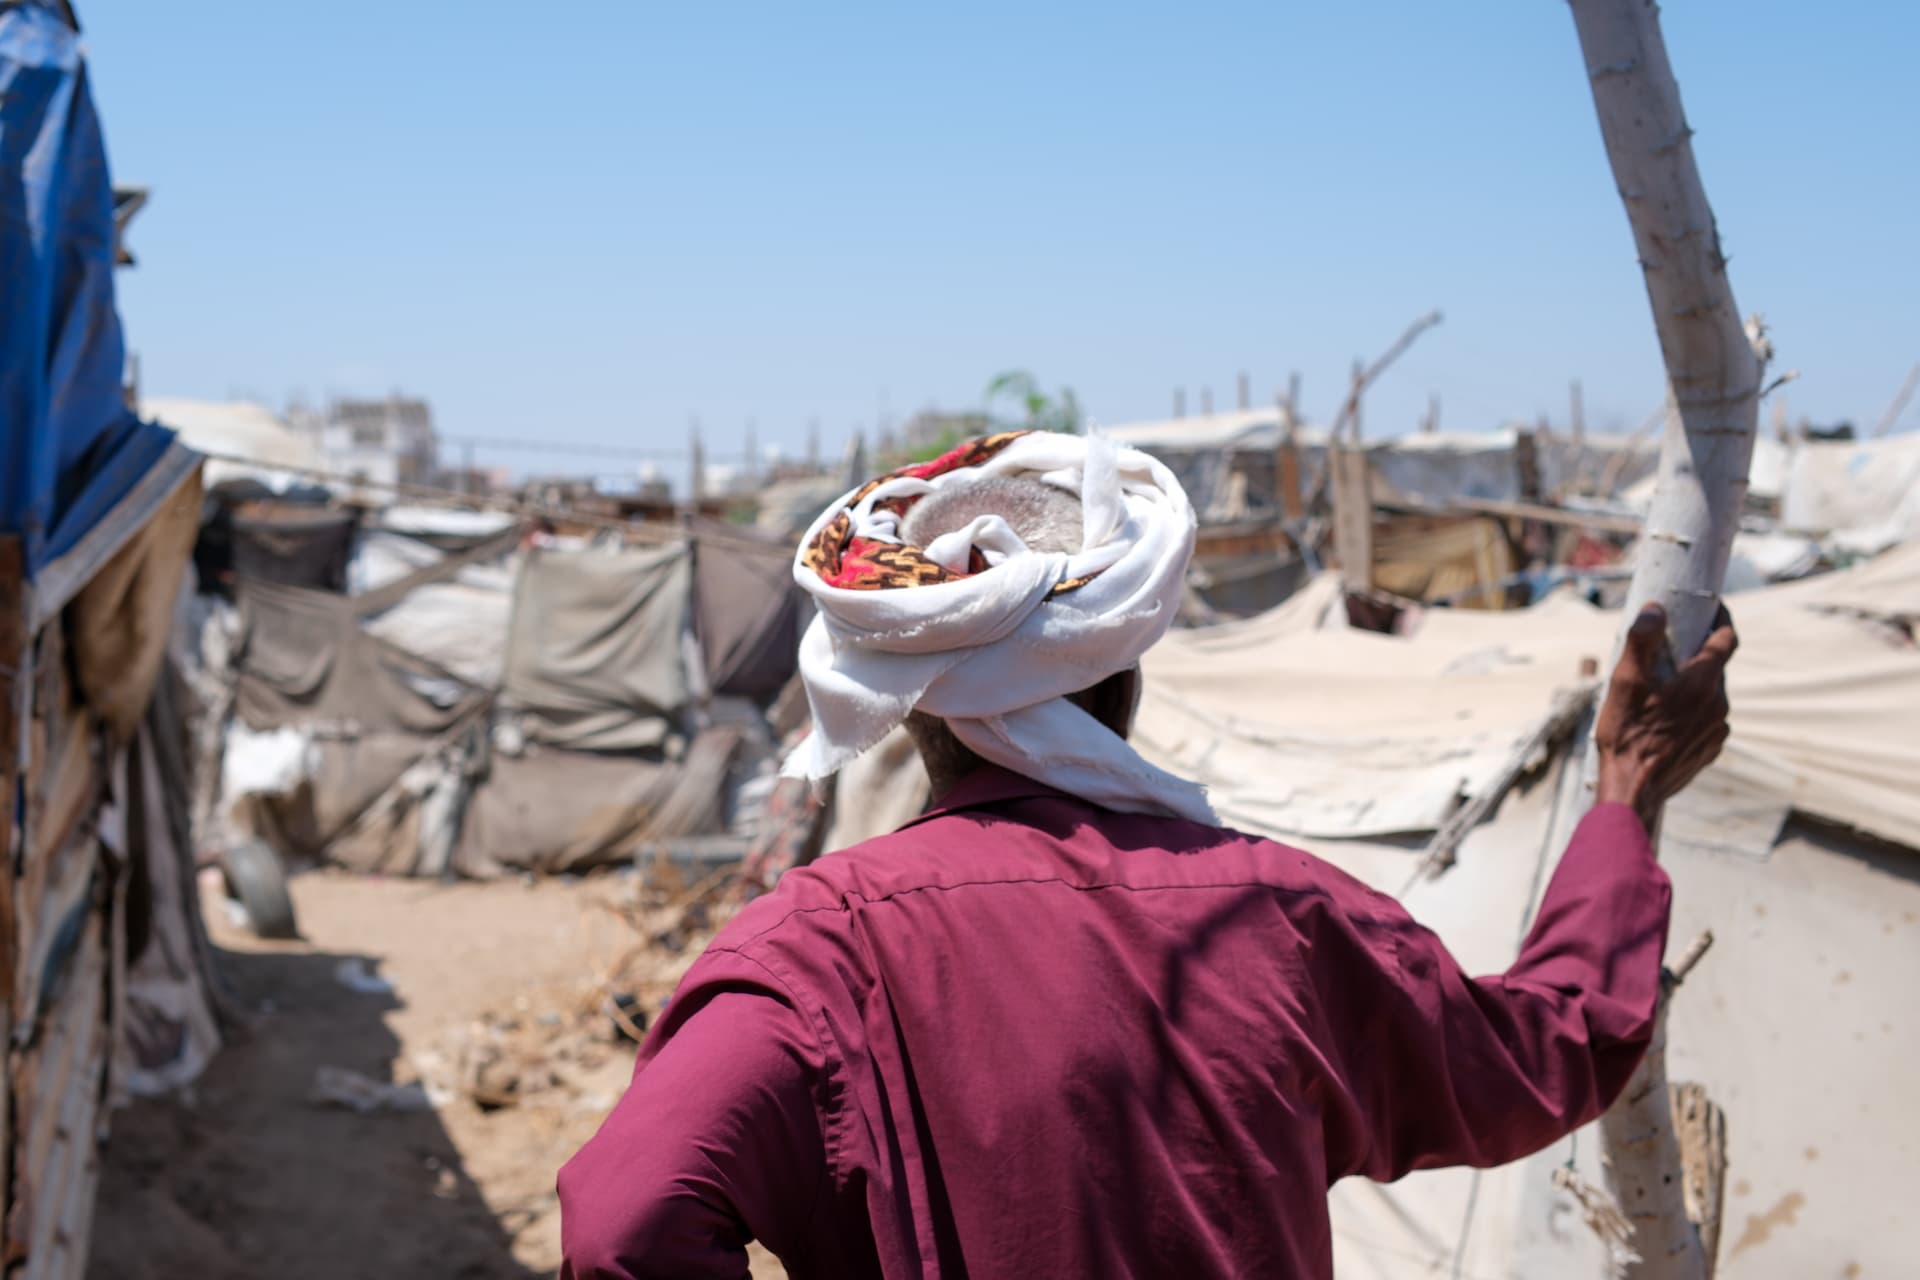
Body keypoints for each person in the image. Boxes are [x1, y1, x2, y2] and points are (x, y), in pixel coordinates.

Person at [558, 431, 1736, 1280]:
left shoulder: (812, 950)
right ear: (1126, 669)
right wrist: (1623, 793)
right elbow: (1551, 1046)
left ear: (908, 702)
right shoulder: (1280, 918)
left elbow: (624, 1225)